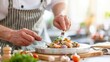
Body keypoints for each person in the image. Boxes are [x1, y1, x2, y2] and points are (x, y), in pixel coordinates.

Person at [0, 0, 71, 50]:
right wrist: (10, 34)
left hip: (41, 48)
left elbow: (58, 1)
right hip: (4, 50)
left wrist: (60, 13)